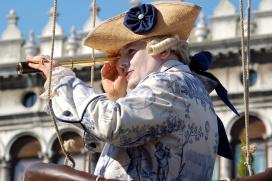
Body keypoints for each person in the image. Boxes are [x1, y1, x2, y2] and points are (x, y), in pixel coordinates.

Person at [27, 2, 233, 180]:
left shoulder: (171, 83)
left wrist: (61, 80)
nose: (122, 64)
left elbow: (111, 125)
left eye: (130, 52)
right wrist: (117, 98)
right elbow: (131, 143)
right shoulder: (188, 86)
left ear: (163, 50)